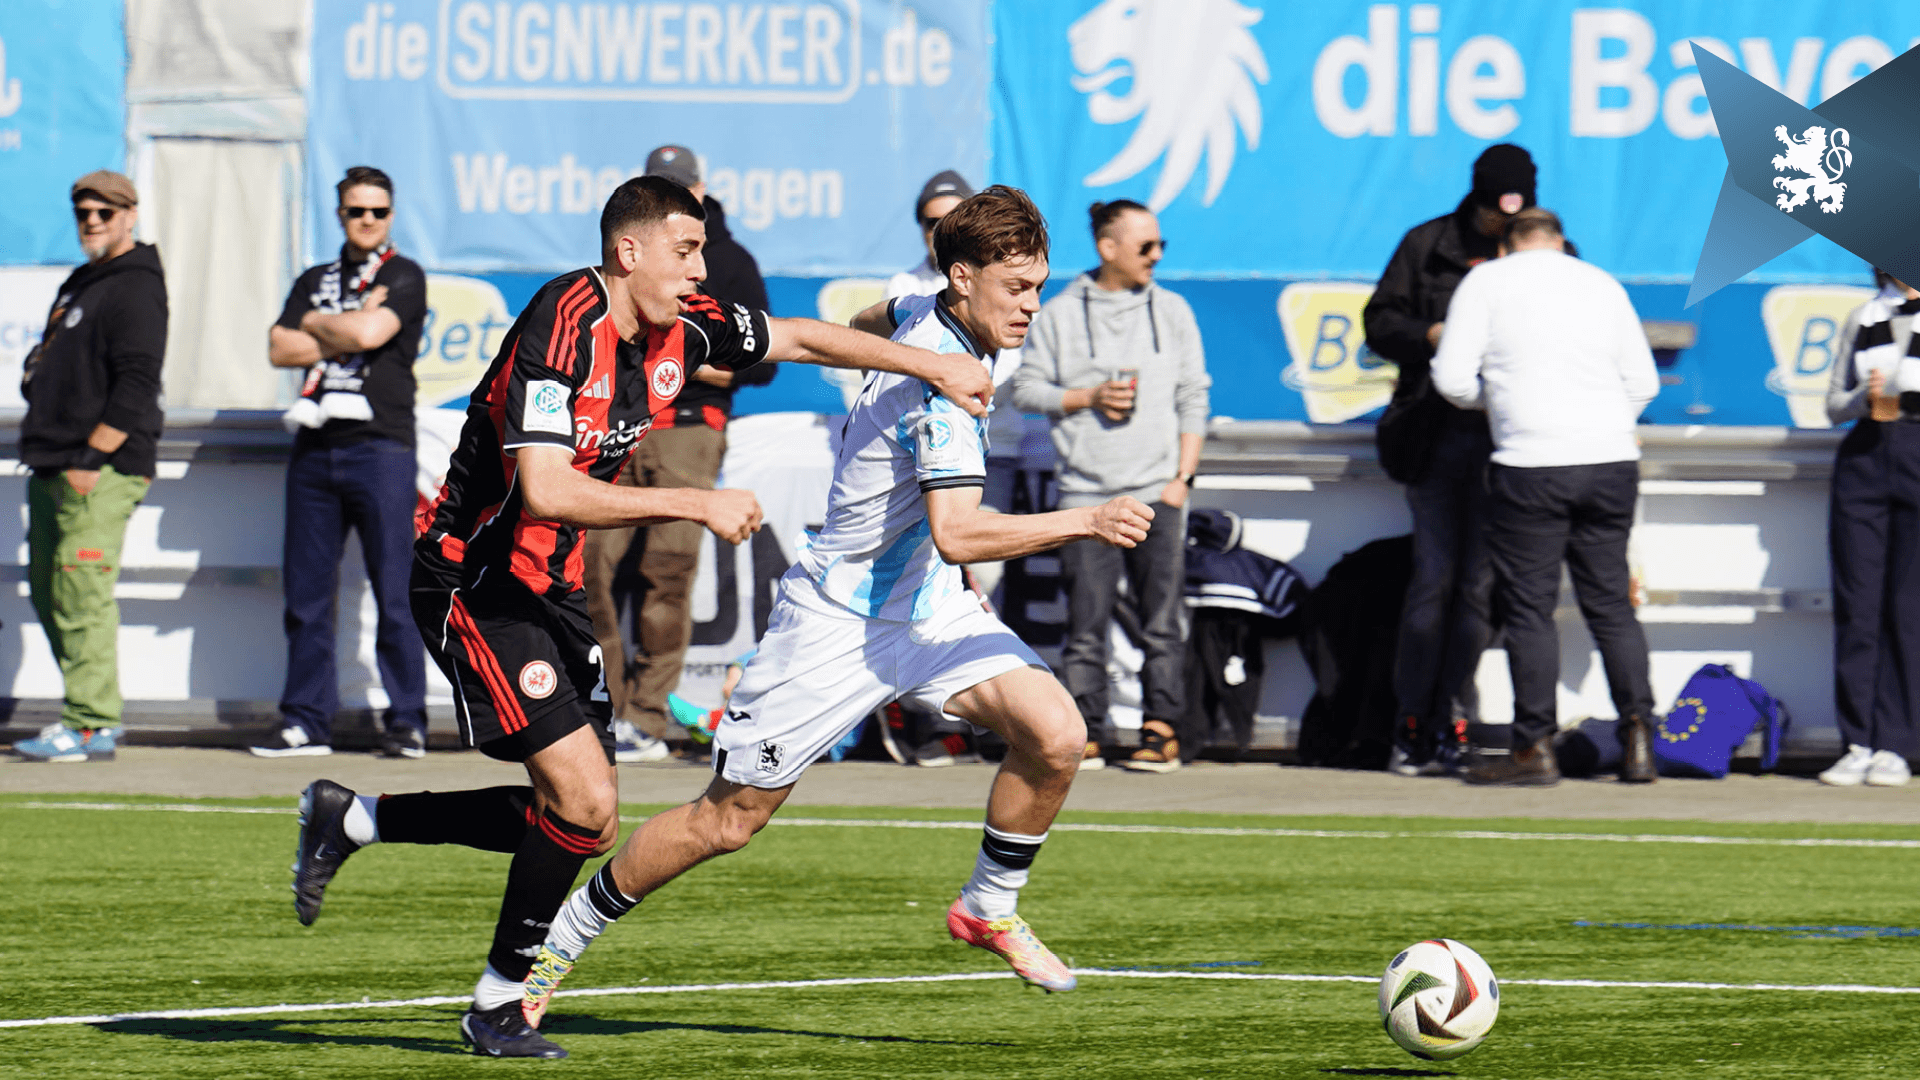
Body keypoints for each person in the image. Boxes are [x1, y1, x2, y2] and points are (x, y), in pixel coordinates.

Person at [284, 176, 993, 1060]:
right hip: (476, 581)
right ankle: (498, 1006)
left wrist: (934, 365)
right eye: (685, 250)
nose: (700, 268)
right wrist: (698, 502)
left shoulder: (683, 324)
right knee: (581, 802)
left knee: (586, 821)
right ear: (630, 252)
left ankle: (355, 818)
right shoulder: (560, 325)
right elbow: (546, 489)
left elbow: (801, 336)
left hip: (551, 585)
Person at [514, 187, 1155, 1052]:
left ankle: (987, 906)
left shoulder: (931, 305)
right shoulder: (944, 391)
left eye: (1038, 286)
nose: (1031, 306)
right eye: (1016, 288)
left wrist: (889, 352)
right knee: (725, 822)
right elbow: (959, 532)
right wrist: (1088, 519)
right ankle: (555, 946)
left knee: (1057, 733)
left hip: (925, 605)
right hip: (837, 625)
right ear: (963, 278)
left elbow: (868, 318)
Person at [1430, 209, 1660, 787]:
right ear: (1559, 242)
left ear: (1506, 246)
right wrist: (1604, 422)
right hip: (1610, 459)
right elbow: (1644, 383)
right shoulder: (1601, 283)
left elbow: (1451, 379)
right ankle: (1638, 737)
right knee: (1611, 605)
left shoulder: (1486, 281)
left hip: (1530, 462)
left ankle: (1534, 746)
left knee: (1530, 609)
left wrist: (1506, 402)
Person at [581, 145, 776, 765]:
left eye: (682, 185)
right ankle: (603, 708)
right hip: (618, 422)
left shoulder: (729, 260)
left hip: (689, 427)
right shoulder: (631, 253)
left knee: (666, 573)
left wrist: (681, 357)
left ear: (701, 188)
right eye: (660, 183)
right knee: (588, 567)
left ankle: (645, 716)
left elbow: (763, 364)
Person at [1012, 199, 1210, 772]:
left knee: (1163, 621)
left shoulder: (1171, 310)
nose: (1157, 255)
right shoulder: (1059, 313)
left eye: (1161, 244)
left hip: (1157, 493)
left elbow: (1194, 396)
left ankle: (1162, 729)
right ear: (1107, 248)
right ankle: (1085, 730)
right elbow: (1026, 390)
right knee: (1085, 624)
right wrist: (1088, 397)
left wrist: (1181, 480)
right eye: (1146, 246)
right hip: (1085, 495)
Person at [1363, 144, 1540, 777]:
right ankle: (1414, 723)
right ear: (1476, 199)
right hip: (1434, 437)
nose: (1502, 225)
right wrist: (1433, 335)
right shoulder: (1428, 243)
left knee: (1479, 591)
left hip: (1510, 442)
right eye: (1493, 213)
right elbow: (1379, 323)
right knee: (1433, 582)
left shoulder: (1543, 251)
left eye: (1513, 216)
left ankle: (1452, 714)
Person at [251, 166, 430, 759]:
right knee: (306, 596)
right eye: (357, 211)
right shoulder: (315, 278)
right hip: (315, 447)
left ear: (391, 215)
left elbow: (371, 334)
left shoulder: (403, 275)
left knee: (396, 592)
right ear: (340, 215)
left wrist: (317, 323)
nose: (367, 221)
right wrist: (340, 326)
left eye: (378, 211)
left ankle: (407, 720)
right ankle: (305, 720)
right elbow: (280, 347)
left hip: (381, 448)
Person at [11, 171, 167, 765]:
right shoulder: (83, 281)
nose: (93, 223)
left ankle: (89, 723)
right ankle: (88, 715)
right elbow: (51, 357)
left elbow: (138, 384)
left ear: (130, 215)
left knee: (82, 594)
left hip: (97, 468)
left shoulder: (137, 285)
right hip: (53, 462)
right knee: (49, 592)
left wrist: (92, 457)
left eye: (105, 212)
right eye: (84, 213)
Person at [1818, 268, 1920, 787]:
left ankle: (1896, 745)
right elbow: (1832, 405)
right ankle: (1857, 741)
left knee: (1909, 609)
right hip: (1865, 457)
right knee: (1857, 606)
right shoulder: (1863, 317)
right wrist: (1866, 397)